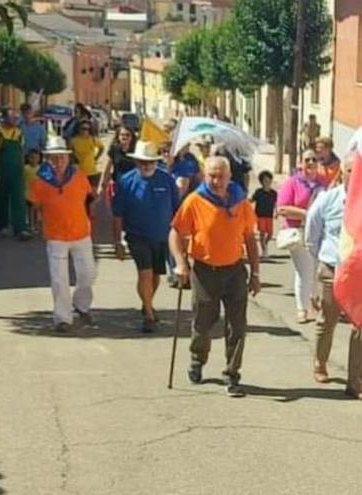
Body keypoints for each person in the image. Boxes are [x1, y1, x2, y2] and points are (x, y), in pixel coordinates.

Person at [169, 156, 261, 397]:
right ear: (204, 175)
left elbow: (250, 238)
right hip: (204, 271)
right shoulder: (195, 200)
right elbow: (176, 233)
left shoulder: (240, 201)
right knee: (203, 323)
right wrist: (180, 264)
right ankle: (197, 359)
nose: (216, 180)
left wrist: (256, 273)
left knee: (237, 326)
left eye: (221, 175)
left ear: (230, 176)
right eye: (211, 175)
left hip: (234, 271)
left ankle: (232, 374)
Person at [306, 154, 362, 400]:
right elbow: (312, 236)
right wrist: (319, 266)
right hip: (331, 269)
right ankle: (319, 362)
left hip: (360, 273)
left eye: (360, 172)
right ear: (341, 173)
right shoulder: (327, 200)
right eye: (350, 171)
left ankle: (355, 382)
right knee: (327, 320)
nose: (354, 176)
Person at [28, 136, 97, 332]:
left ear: (68, 158)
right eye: (53, 158)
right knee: (59, 279)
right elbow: (35, 205)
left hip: (81, 233)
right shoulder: (39, 181)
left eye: (61, 157)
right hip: (55, 235)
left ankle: (82, 305)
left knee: (88, 274)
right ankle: (62, 318)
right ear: (47, 159)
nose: (58, 161)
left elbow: (88, 199)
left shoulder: (79, 176)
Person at [112, 140, 180, 333]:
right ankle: (149, 314)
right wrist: (118, 242)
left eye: (150, 162)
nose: (147, 165)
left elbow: (177, 210)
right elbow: (117, 214)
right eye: (142, 162)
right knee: (145, 273)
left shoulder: (166, 179)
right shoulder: (126, 181)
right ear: (136, 162)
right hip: (137, 236)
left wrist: (182, 238)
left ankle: (147, 302)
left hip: (162, 236)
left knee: (156, 276)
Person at [276, 149, 324, 323]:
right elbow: (281, 208)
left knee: (317, 271)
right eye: (307, 159)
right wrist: (306, 214)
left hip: (318, 234)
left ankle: (315, 302)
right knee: (304, 271)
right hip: (298, 233)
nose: (311, 162)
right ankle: (301, 309)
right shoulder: (292, 183)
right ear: (300, 163)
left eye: (314, 159)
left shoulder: (322, 184)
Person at [0, 109, 32, 240]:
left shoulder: (18, 133)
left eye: (15, 117)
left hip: (16, 172)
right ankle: (3, 225)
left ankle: (21, 229)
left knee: (19, 198)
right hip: (2, 170)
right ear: (4, 118)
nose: (15, 119)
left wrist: (22, 169)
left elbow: (20, 153)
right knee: (2, 198)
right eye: (12, 117)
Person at [98, 126, 137, 200]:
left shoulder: (136, 151)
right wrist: (103, 184)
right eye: (122, 135)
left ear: (132, 137)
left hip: (133, 186)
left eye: (127, 135)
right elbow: (107, 168)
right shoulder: (114, 149)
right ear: (118, 136)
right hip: (118, 185)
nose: (124, 137)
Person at [69, 119, 104, 187]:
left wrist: (96, 158)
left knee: (91, 195)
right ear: (78, 129)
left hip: (92, 172)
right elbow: (70, 152)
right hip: (78, 172)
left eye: (88, 129)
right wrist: (75, 159)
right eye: (83, 129)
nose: (86, 131)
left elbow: (102, 148)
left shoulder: (93, 139)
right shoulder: (73, 141)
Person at [251, 170, 277, 258]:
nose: (267, 182)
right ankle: (264, 250)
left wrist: (276, 211)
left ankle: (265, 245)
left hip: (269, 215)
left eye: (269, 180)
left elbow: (276, 204)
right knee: (262, 233)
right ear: (261, 182)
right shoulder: (259, 192)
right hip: (260, 215)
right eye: (265, 180)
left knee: (270, 234)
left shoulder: (274, 193)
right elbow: (251, 200)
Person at [23, 148, 42, 234]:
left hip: (38, 194)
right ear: (28, 158)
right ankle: (31, 226)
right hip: (28, 193)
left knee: (37, 211)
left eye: (36, 158)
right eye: (32, 157)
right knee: (31, 210)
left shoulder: (41, 169)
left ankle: (36, 225)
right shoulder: (25, 169)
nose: (34, 160)